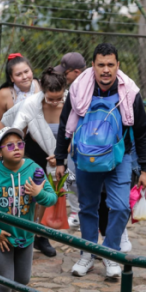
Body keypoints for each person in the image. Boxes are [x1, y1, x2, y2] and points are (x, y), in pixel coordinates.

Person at [55, 43, 146, 278]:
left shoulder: (129, 92)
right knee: (87, 207)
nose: (106, 70)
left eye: (110, 64)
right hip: (86, 158)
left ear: (118, 66)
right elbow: (64, 124)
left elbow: (142, 131)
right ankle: (87, 254)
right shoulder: (79, 89)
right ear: (93, 66)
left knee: (120, 206)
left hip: (120, 157)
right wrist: (60, 159)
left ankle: (110, 252)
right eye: (101, 65)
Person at [0, 127, 57, 292]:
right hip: (0, 237)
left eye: (20, 144)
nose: (16, 148)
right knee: (6, 282)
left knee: (23, 280)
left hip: (26, 235)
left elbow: (52, 197)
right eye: (9, 146)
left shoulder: (34, 169)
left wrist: (39, 194)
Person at [1, 67, 68, 257]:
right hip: (35, 152)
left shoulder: (73, 102)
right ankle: (27, 234)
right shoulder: (31, 104)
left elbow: (79, 132)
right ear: (43, 93)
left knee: (52, 196)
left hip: (62, 155)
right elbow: (15, 130)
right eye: (50, 98)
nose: (55, 103)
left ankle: (42, 236)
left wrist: (61, 155)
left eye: (59, 98)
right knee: (31, 194)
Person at [54, 52, 87, 228]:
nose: (62, 76)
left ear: (76, 72)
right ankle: (77, 212)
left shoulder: (87, 89)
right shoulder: (74, 89)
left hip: (87, 146)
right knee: (71, 180)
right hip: (74, 146)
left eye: (65, 73)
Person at [0, 53, 41, 129]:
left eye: (26, 72)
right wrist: (9, 135)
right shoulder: (4, 94)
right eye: (18, 75)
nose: (24, 77)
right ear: (11, 78)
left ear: (31, 71)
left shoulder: (42, 85)